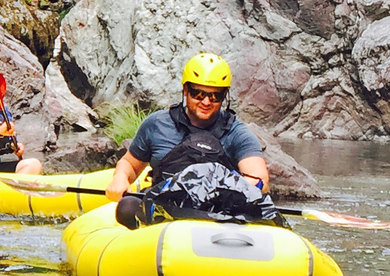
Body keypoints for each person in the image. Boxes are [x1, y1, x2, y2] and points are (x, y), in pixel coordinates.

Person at [104, 51, 269, 228]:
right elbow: (129, 163)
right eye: (198, 93)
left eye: (215, 96)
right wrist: (120, 178)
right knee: (127, 208)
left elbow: (260, 179)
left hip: (216, 211)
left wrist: (219, 190)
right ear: (185, 90)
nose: (206, 101)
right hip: (164, 207)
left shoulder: (237, 133)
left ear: (224, 97)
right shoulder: (157, 124)